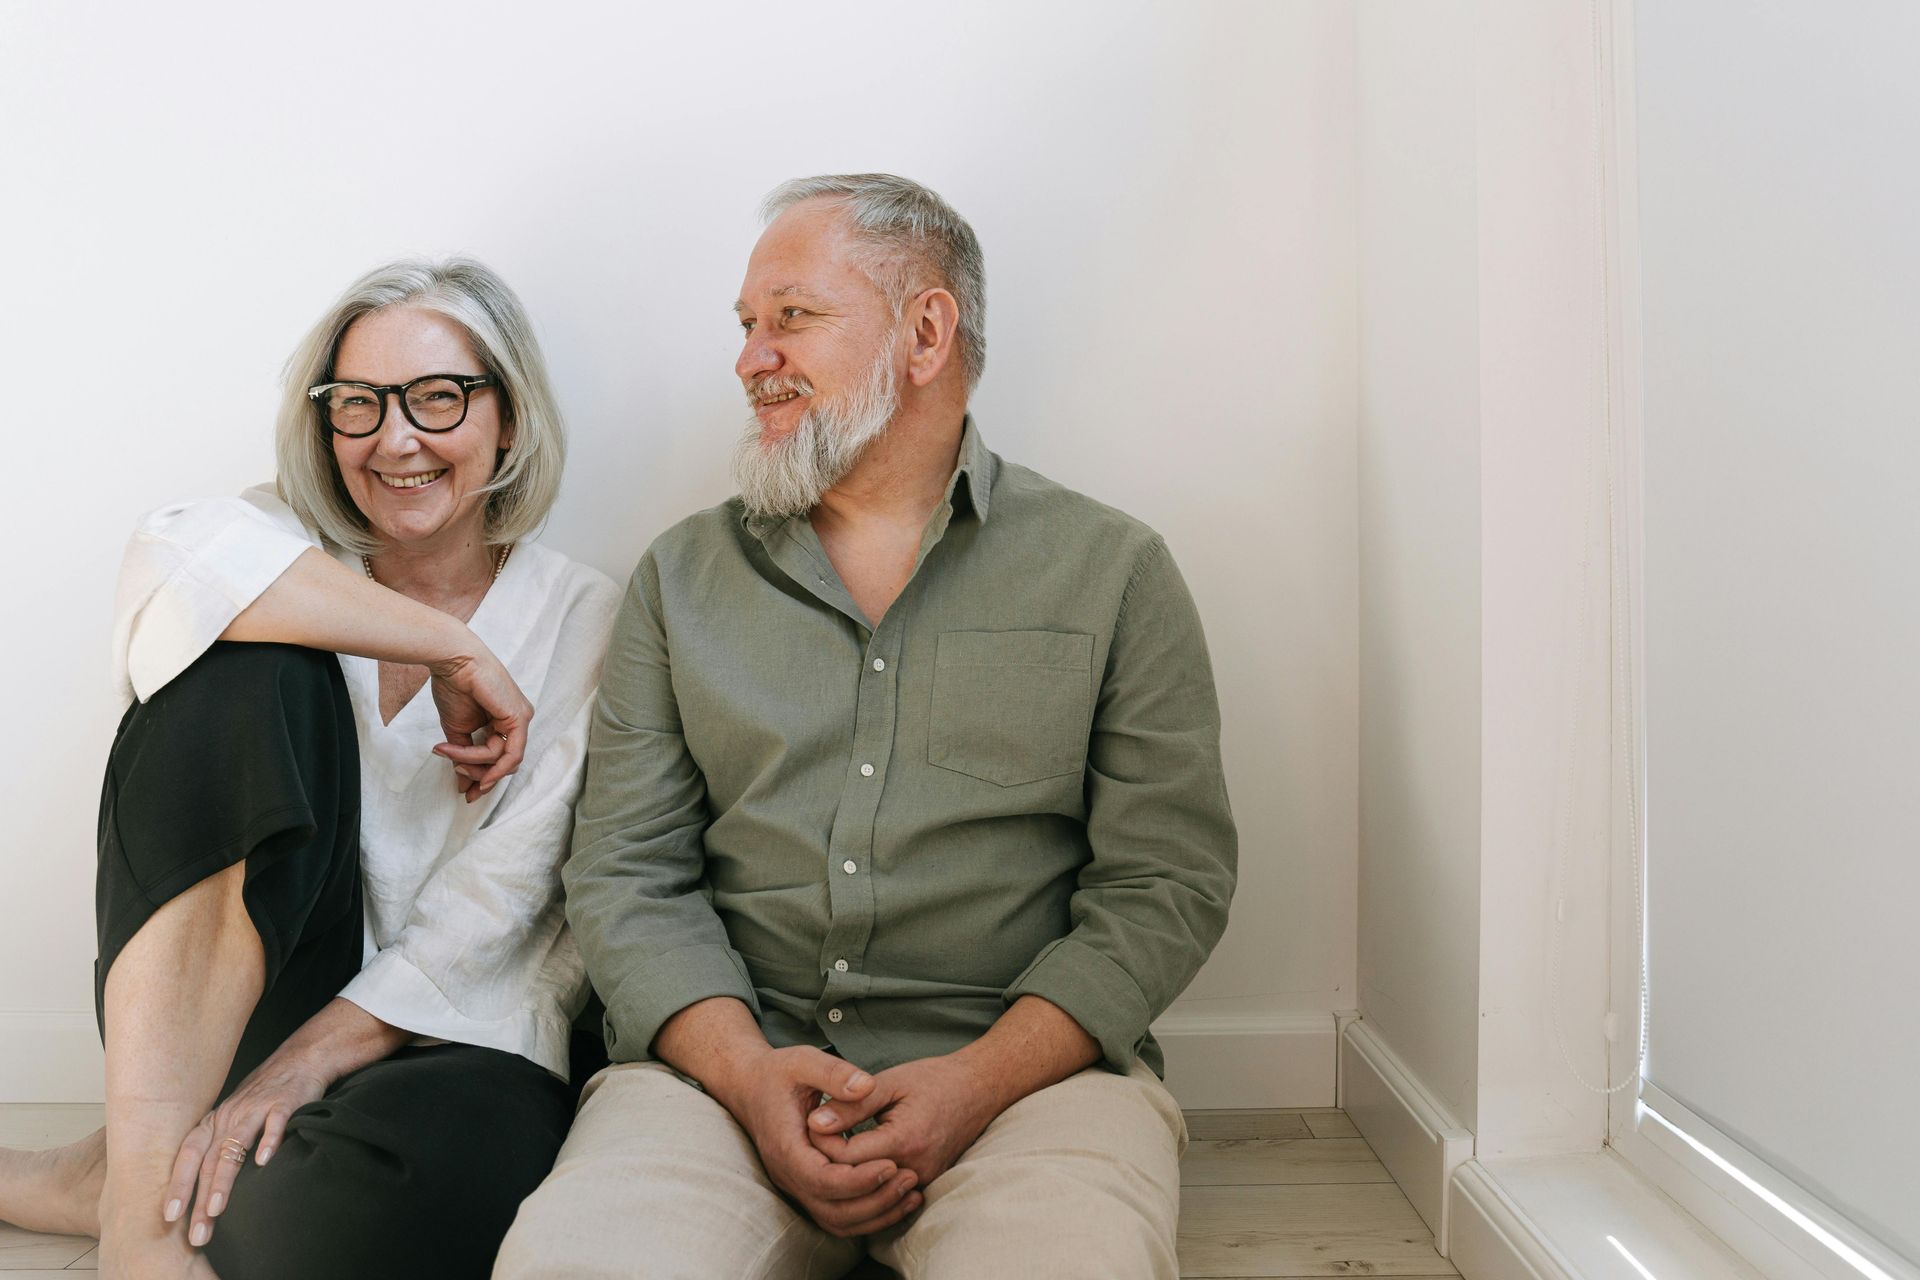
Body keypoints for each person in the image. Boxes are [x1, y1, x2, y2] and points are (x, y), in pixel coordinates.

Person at [496, 174, 1237, 1280]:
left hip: (1028, 1090)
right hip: (723, 1083)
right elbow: (627, 870)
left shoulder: (1115, 571)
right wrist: (749, 1074)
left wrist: (976, 1080)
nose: (751, 358)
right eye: (747, 326)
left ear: (925, 330)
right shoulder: (681, 579)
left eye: (791, 316)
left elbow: (1165, 881)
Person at [0, 259, 620, 1279]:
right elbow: (166, 554)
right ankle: (140, 1210)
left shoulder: (584, 612)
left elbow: (509, 900)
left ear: (506, 420)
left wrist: (298, 1068)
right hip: (243, 1005)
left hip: (448, 1036)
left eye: (438, 396)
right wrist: (447, 644)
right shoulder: (280, 555)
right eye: (359, 405)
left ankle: (109, 1177)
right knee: (227, 660)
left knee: (327, 1230)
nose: (396, 436)